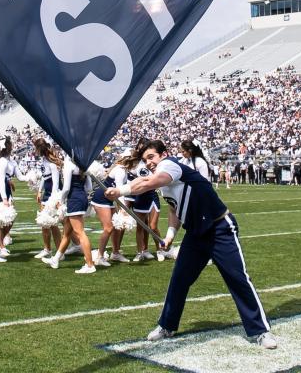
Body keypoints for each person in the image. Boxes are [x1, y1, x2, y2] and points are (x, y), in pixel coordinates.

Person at [105, 140, 277, 349]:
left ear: (163, 154)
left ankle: (260, 331)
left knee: (238, 279)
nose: (149, 162)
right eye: (145, 160)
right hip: (195, 234)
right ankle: (167, 325)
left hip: (220, 228)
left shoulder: (169, 166)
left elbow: (150, 182)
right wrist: (169, 235)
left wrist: (121, 191)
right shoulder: (165, 180)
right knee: (179, 280)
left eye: (151, 157)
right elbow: (174, 209)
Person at [42, 153, 97, 274]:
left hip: (74, 199)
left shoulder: (69, 164)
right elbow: (89, 188)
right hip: (81, 198)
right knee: (67, 232)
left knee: (80, 232)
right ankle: (55, 259)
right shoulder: (83, 166)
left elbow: (66, 188)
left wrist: (60, 201)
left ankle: (90, 264)